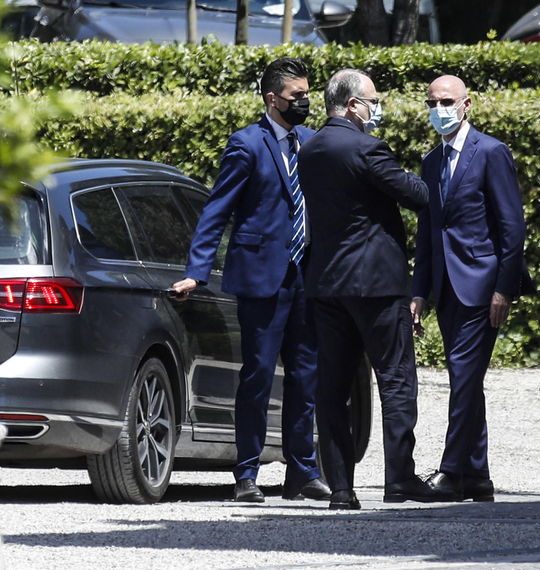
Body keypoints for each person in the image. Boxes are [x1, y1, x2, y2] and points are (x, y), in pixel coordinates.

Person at [171, 57, 330, 502]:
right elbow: (217, 210)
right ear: (272, 98)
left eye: (307, 94)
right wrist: (196, 272)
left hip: (306, 275)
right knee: (258, 374)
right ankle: (246, 474)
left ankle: (302, 472)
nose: (305, 102)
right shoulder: (247, 144)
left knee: (305, 376)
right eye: (297, 96)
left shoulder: (312, 142)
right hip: (262, 277)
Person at [298, 68, 452, 509]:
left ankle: (341, 488)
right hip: (377, 284)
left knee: (333, 387)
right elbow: (418, 195)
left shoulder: (310, 149)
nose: (377, 108)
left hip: (327, 283)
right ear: (352, 105)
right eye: (373, 101)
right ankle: (399, 478)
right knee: (396, 380)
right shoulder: (367, 148)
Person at [410, 75, 535, 502]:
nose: (439, 109)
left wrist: (504, 289)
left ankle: (451, 471)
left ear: (467, 104)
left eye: (446, 101)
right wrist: (419, 292)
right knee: (465, 378)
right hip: (446, 287)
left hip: (481, 286)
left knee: (463, 376)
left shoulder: (491, 152)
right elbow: (428, 232)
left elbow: (512, 227)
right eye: (432, 102)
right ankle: (477, 476)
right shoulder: (431, 161)